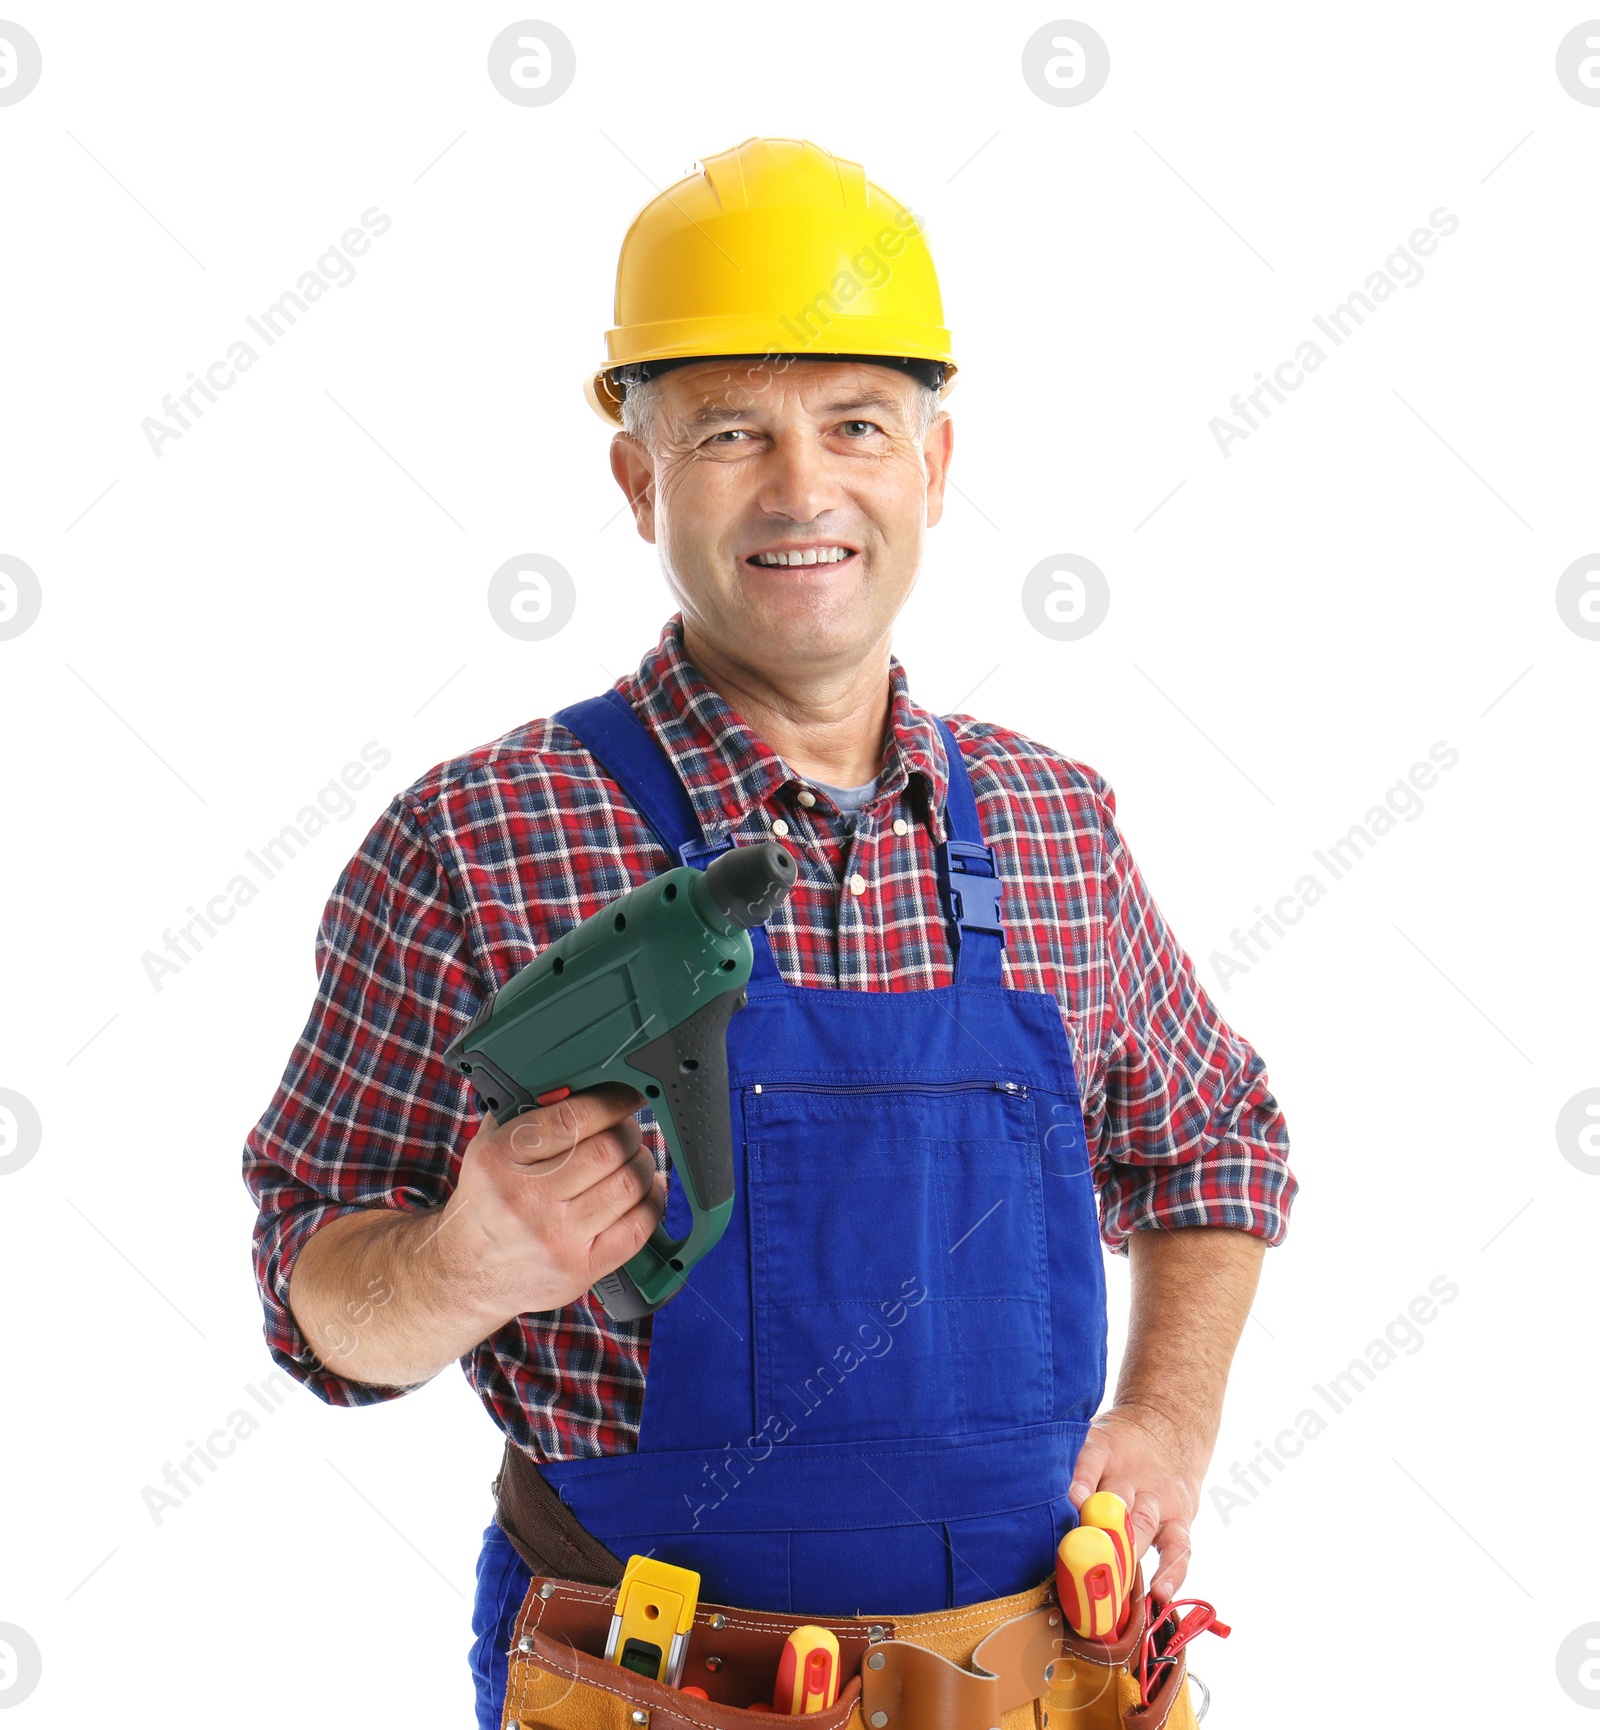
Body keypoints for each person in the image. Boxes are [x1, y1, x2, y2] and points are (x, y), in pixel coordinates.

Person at [243, 136, 1296, 1729]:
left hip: (1037, 1682)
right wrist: (464, 1261)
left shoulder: (1054, 823)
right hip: (660, 1685)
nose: (804, 490)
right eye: (733, 432)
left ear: (932, 469)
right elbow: (312, 1293)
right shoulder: (479, 836)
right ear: (637, 475)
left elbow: (1216, 1140)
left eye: (856, 426)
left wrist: (1167, 1414)